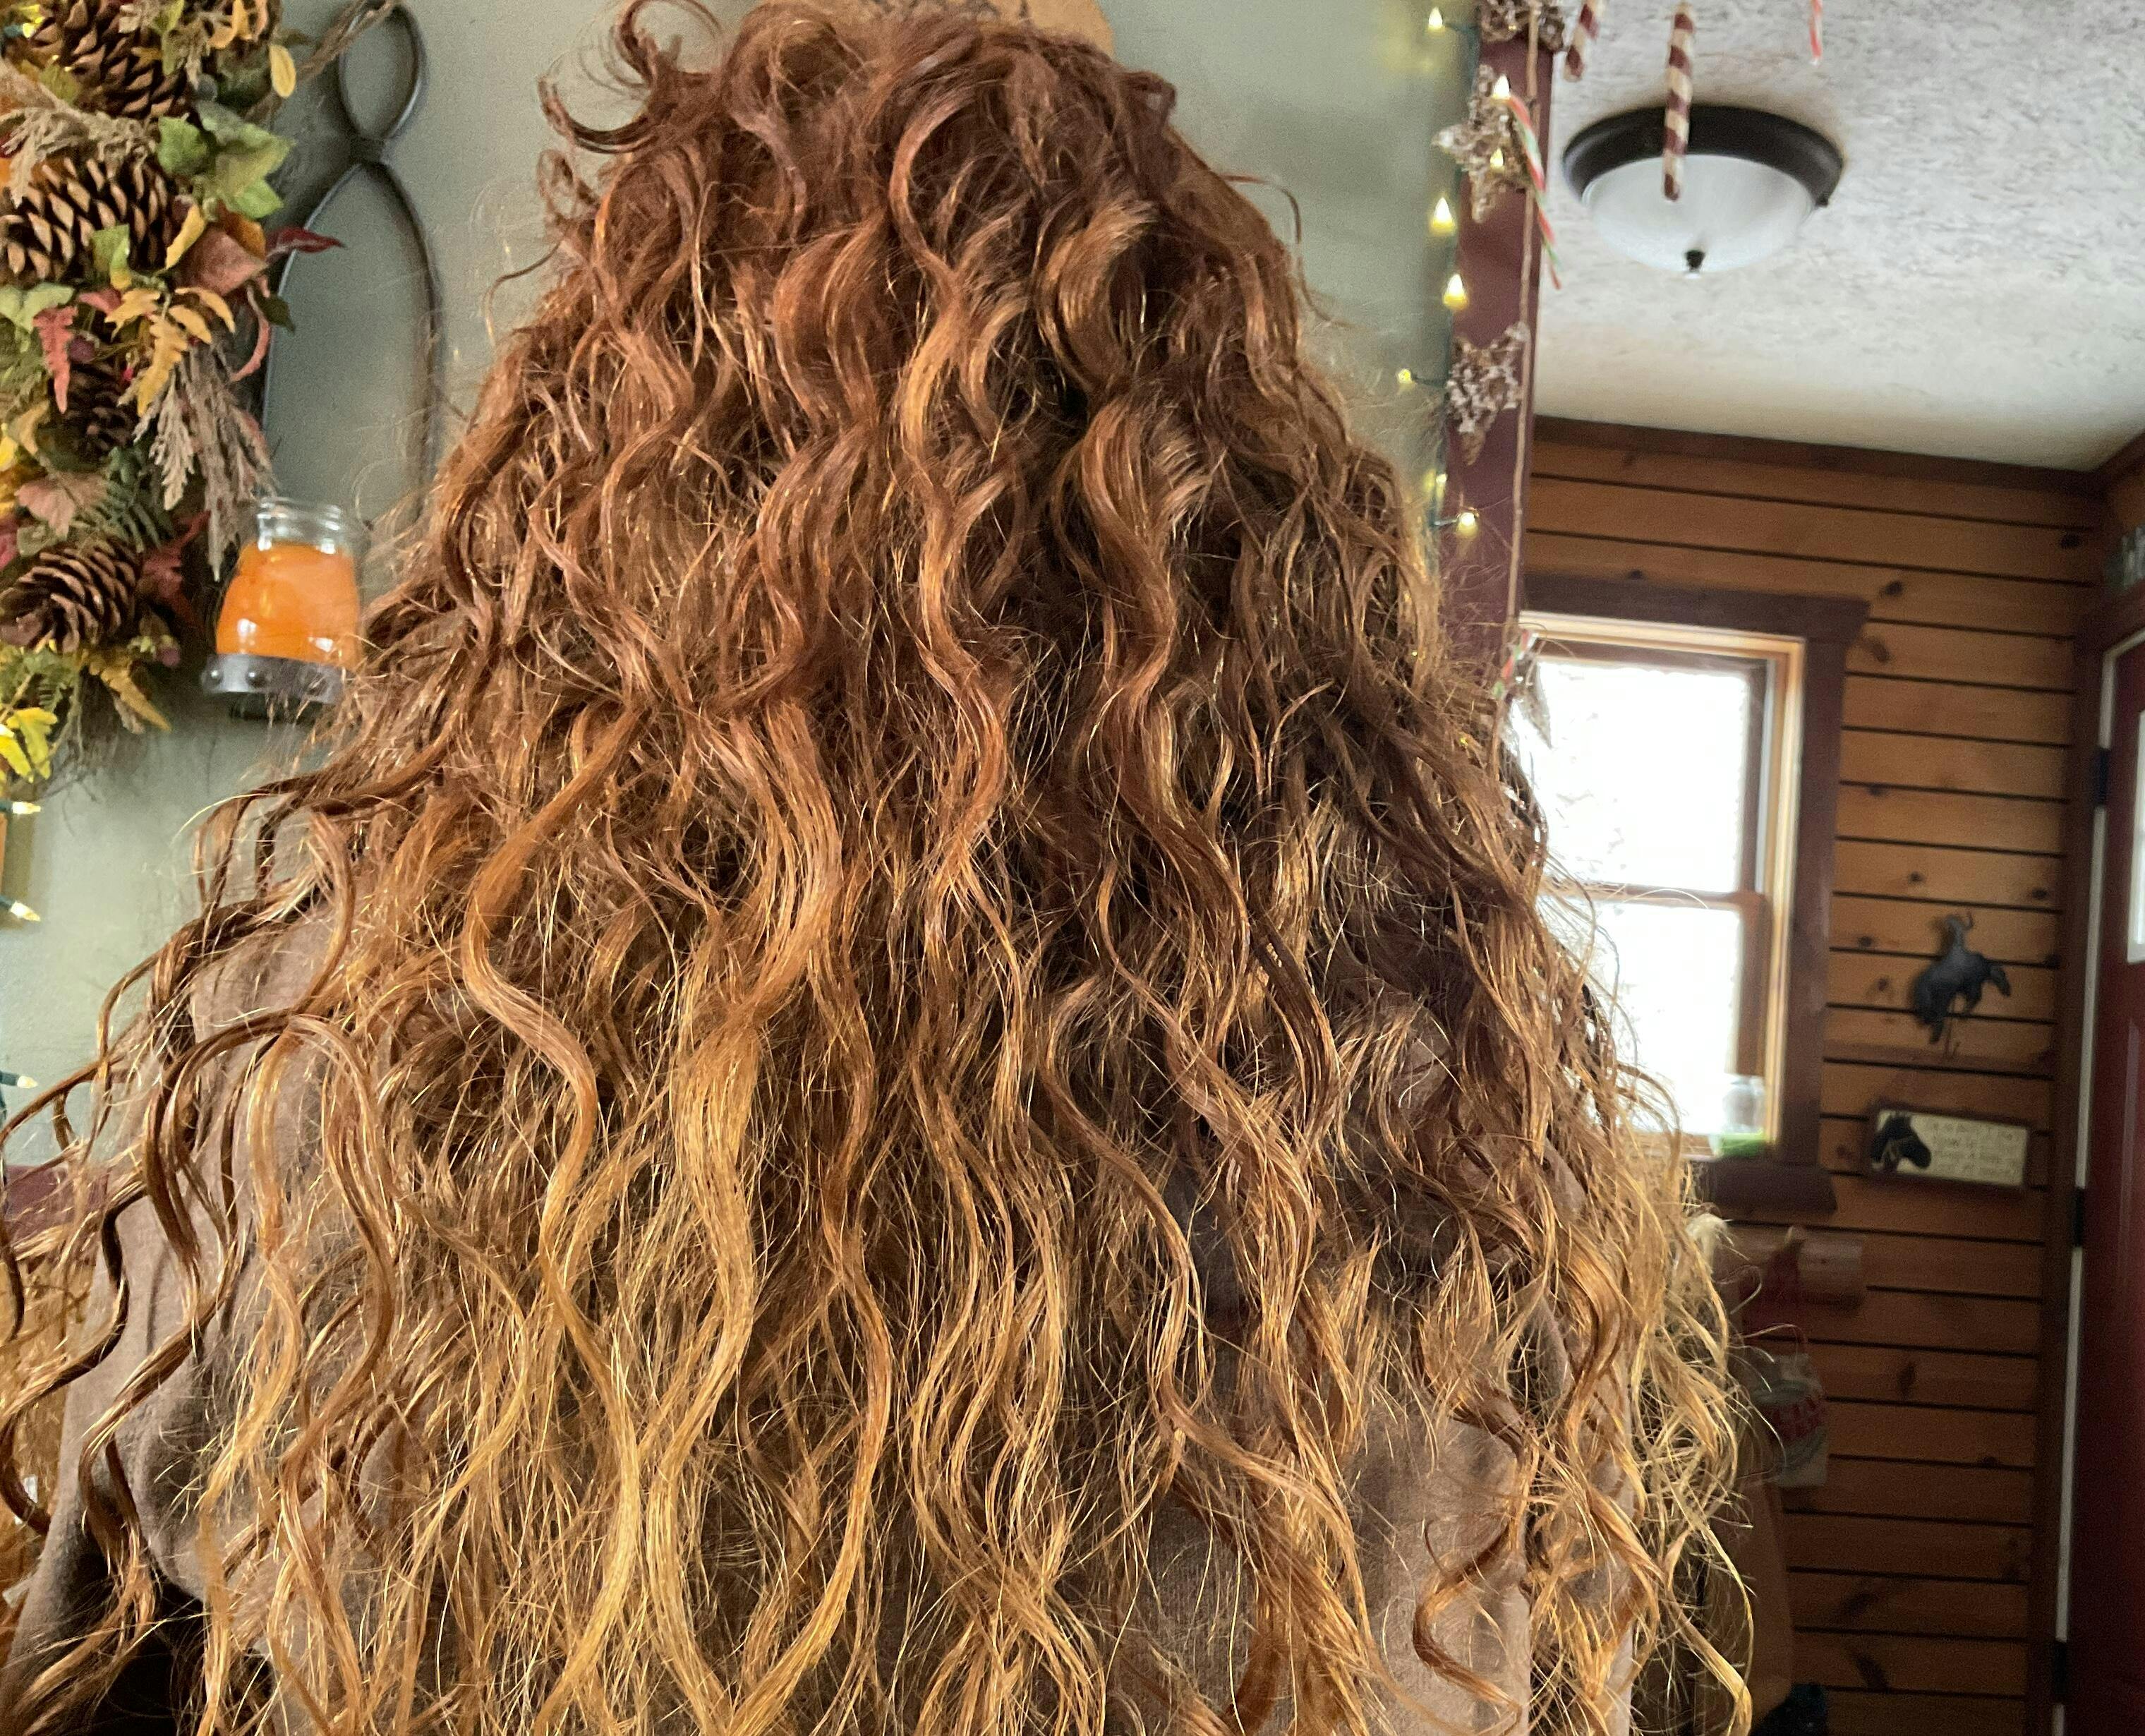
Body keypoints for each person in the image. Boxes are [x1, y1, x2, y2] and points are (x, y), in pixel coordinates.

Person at [0, 4, 1739, 1731]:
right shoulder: (1442, 1109)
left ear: (586, 489)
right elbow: (1516, 1671)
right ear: (1250, 530)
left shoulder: (323, 1025)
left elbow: (106, 1647)